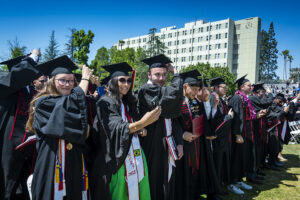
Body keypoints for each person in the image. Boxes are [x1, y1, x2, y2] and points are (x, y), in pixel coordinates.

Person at [25, 55, 94, 200]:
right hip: (51, 163)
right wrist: (85, 80)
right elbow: (67, 108)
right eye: (62, 80)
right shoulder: (43, 102)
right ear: (51, 81)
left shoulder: (72, 100)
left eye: (70, 81)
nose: (67, 84)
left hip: (74, 162)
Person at [91, 62, 161, 200]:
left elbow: (130, 125)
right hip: (117, 159)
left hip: (135, 154)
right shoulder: (105, 102)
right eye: (122, 80)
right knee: (121, 192)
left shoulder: (127, 102)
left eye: (129, 80)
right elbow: (117, 128)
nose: (126, 84)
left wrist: (140, 129)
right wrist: (144, 122)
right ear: (112, 82)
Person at [137, 54, 183, 200]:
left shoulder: (162, 89)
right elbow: (173, 95)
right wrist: (175, 74)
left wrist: (180, 143)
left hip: (168, 142)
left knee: (167, 177)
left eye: (164, 74)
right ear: (149, 74)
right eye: (157, 75)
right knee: (154, 179)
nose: (162, 78)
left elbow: (174, 119)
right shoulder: (146, 90)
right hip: (153, 143)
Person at [0, 49, 41, 200]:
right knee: (7, 188)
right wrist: (33, 58)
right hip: (7, 150)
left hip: (28, 151)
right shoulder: (5, 90)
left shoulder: (30, 92)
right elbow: (17, 76)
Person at [227, 75, 264, 195]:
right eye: (249, 85)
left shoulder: (244, 99)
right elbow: (236, 118)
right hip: (238, 135)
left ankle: (238, 180)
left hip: (245, 134)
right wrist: (237, 134)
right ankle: (232, 183)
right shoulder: (237, 99)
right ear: (242, 87)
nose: (251, 87)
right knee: (236, 159)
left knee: (241, 159)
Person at [210, 77, 234, 193]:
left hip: (223, 139)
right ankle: (215, 190)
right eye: (223, 87)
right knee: (216, 165)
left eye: (225, 87)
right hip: (216, 139)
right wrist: (229, 117)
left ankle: (219, 186)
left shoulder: (221, 100)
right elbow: (215, 121)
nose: (225, 89)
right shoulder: (212, 99)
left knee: (221, 164)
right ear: (215, 88)